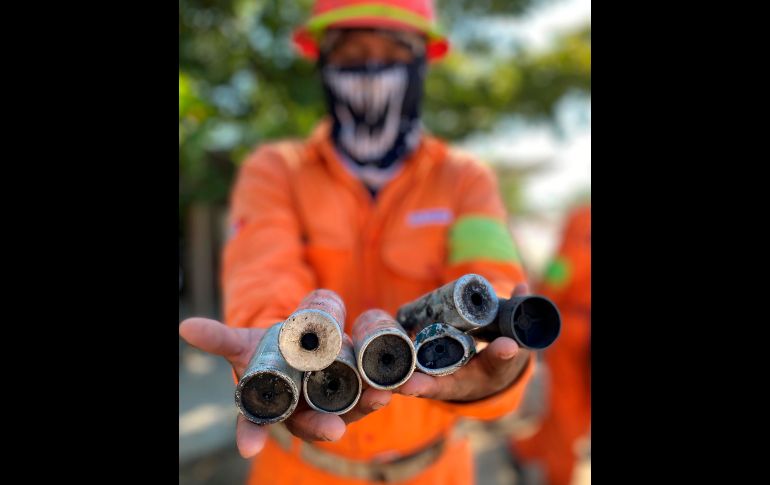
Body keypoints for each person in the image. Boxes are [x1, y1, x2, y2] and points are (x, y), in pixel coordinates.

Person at [180, 1, 537, 483]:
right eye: (352, 51)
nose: (371, 67)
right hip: (300, 471)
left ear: (423, 61)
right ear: (322, 61)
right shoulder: (275, 172)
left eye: (392, 50)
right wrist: (277, 358)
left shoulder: (464, 180)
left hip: (436, 469)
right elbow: (263, 278)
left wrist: (503, 364)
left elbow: (491, 287)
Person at [510, 204, 591, 485]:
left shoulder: (583, 218)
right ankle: (528, 450)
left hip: (576, 328)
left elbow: (562, 268)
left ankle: (557, 475)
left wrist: (542, 300)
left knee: (565, 409)